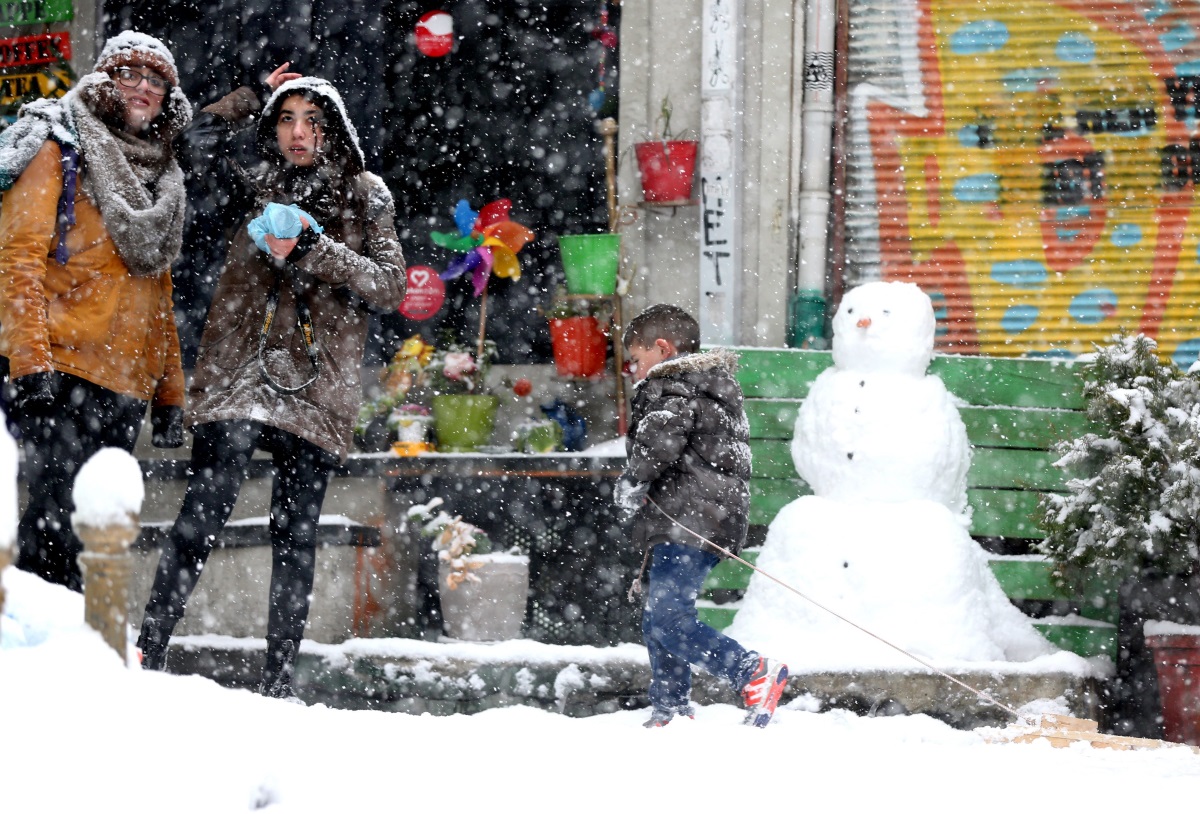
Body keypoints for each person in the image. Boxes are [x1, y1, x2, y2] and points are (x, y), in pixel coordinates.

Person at [135, 66, 406, 700]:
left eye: (312, 120)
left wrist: (312, 248)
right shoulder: (251, 179)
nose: (298, 133)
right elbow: (183, 142)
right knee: (204, 507)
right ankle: (147, 652)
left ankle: (278, 682)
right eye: (286, 119)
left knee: (296, 530)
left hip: (317, 378)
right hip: (239, 368)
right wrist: (249, 94)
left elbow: (391, 287)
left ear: (333, 128)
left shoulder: (366, 193)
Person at [0, 32, 192, 591]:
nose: (144, 89)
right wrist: (29, 359)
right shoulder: (60, 144)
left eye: (157, 82)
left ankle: (79, 660)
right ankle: (32, 657)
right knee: (49, 528)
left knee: (92, 537)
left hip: (125, 383)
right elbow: (18, 261)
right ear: (106, 81)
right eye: (130, 74)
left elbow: (156, 294)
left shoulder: (163, 178)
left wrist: (170, 392)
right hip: (58, 371)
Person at [615, 304, 788, 728]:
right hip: (702, 517)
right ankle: (670, 707)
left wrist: (632, 480)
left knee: (670, 618)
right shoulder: (710, 384)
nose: (634, 371)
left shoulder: (673, 384)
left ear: (662, 348)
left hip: (687, 519)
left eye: (636, 359)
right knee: (660, 617)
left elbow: (659, 443)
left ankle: (751, 672)